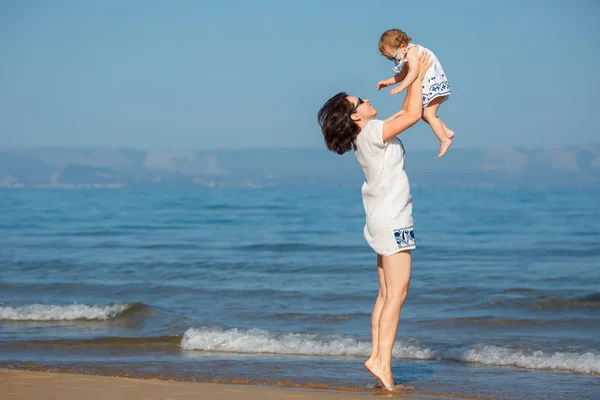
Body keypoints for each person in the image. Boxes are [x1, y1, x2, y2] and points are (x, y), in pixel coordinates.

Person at [317, 52, 432, 391]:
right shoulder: (372, 133)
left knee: (385, 294)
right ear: (356, 116)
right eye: (361, 101)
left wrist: (410, 75)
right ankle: (380, 361)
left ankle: (381, 363)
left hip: (381, 219)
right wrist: (420, 73)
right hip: (393, 220)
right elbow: (412, 114)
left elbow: (405, 112)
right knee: (397, 293)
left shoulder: (364, 137)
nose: (368, 100)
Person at [376, 28, 454, 158]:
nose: (393, 59)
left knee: (428, 114)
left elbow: (413, 72)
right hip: (427, 84)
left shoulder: (411, 51)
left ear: (402, 46)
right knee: (425, 114)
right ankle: (446, 131)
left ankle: (444, 139)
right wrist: (388, 82)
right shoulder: (404, 53)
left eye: (392, 57)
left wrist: (401, 87)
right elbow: (403, 74)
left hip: (432, 83)